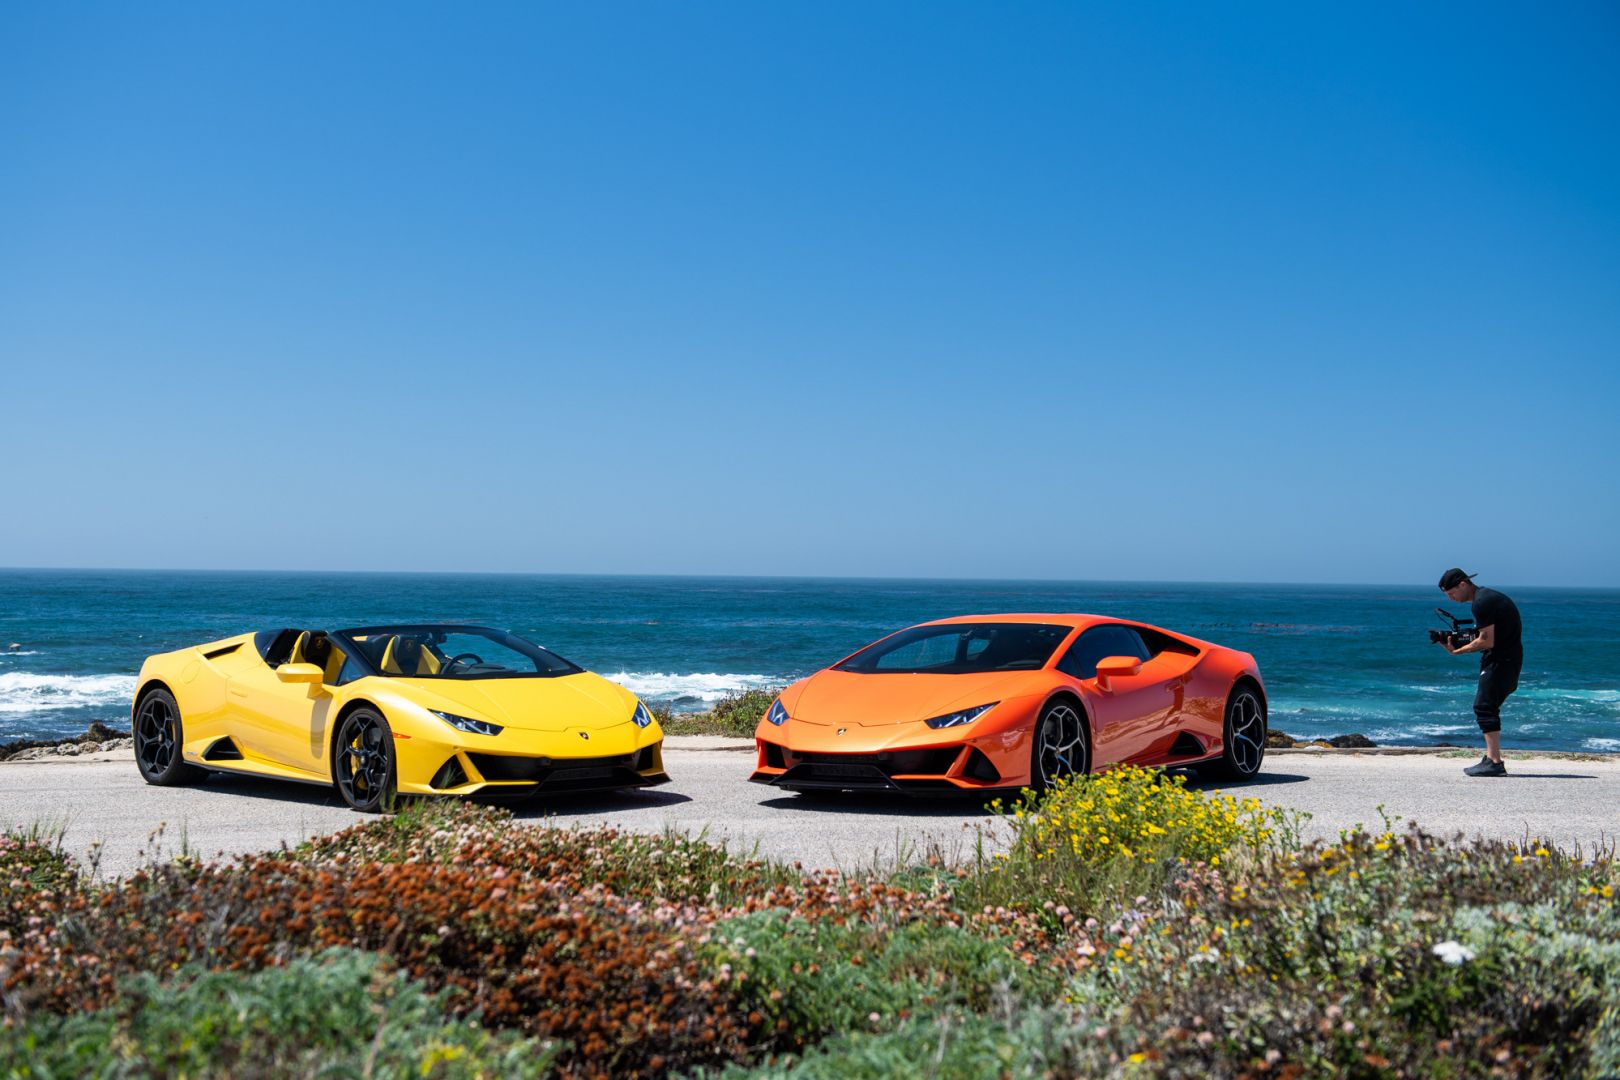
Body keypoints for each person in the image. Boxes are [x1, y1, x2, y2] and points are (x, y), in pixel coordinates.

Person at [1437, 568, 1522, 777]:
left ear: (1463, 584)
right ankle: (1492, 758)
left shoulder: (1481, 602)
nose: (1451, 598)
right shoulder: (1487, 597)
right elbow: (1489, 634)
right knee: (1487, 706)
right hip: (1507, 658)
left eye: (1451, 593)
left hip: (1501, 660)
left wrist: (1457, 651)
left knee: (1484, 706)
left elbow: (1486, 640)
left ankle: (1495, 762)